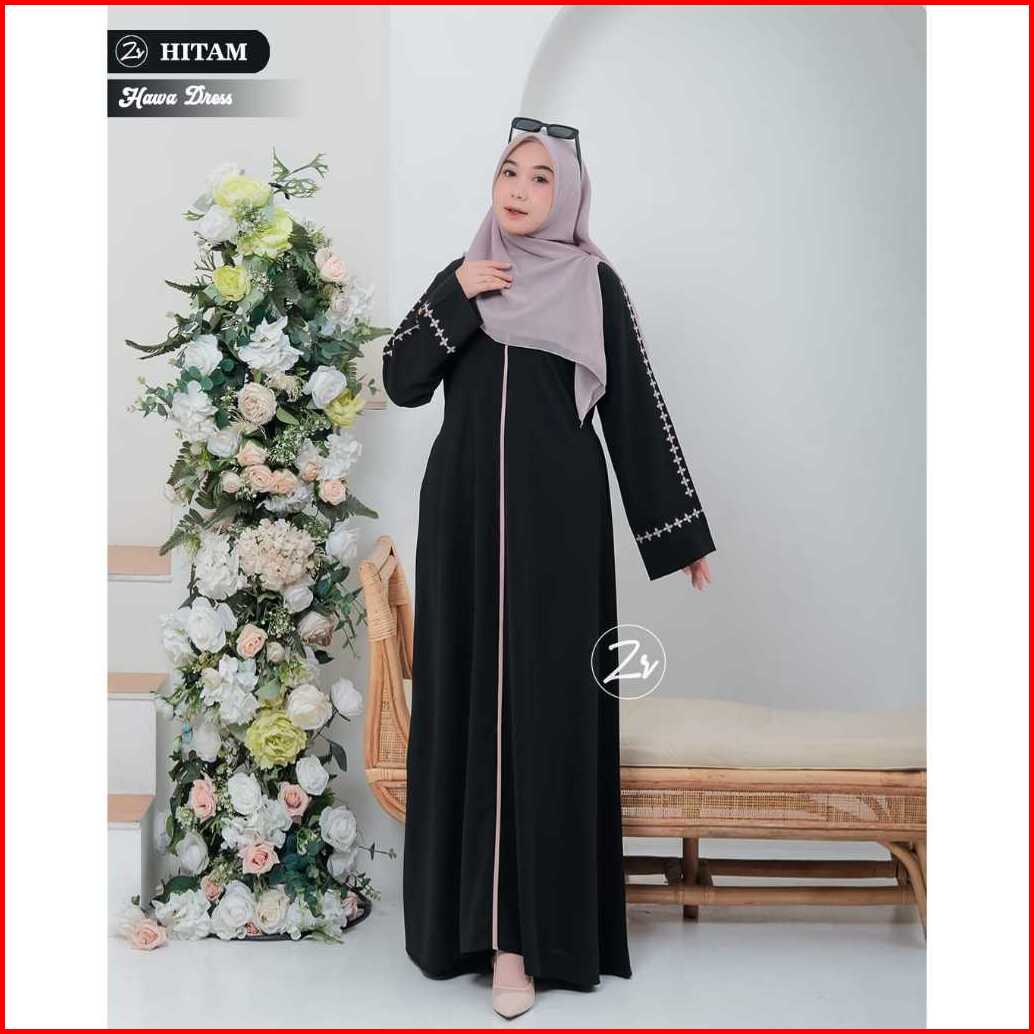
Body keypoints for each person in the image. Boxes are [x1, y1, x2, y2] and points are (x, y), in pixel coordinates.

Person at [382, 121, 717, 1018]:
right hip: (461, 526)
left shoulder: (592, 285)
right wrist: (456, 294)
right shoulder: (466, 274)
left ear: (567, 196)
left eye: (541, 177)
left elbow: (635, 409)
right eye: (510, 171)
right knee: (467, 708)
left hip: (557, 533)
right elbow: (401, 379)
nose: (521, 189)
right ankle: (469, 930)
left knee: (543, 715)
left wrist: (680, 534)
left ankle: (529, 940)